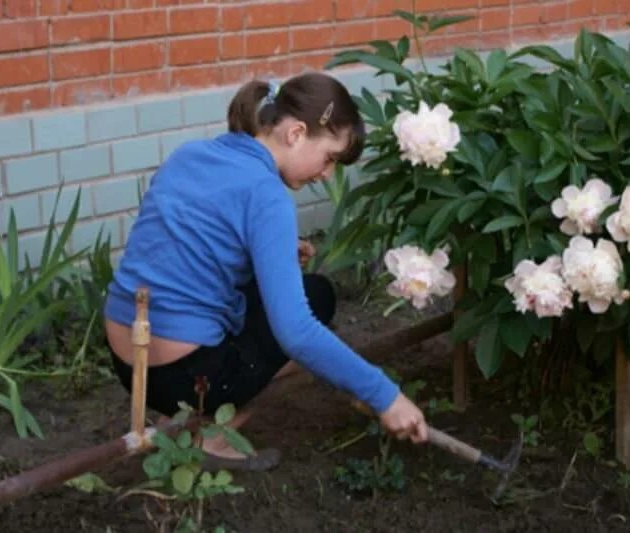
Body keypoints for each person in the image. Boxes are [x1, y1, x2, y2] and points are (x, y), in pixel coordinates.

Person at [104, 72, 429, 471]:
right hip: (187, 378)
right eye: (329, 158)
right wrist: (385, 396)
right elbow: (297, 333)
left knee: (292, 294)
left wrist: (266, 252)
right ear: (295, 133)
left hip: (128, 361)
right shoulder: (267, 194)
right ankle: (214, 435)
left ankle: (176, 420)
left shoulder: (191, 154)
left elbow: (183, 249)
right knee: (316, 298)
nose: (327, 174)